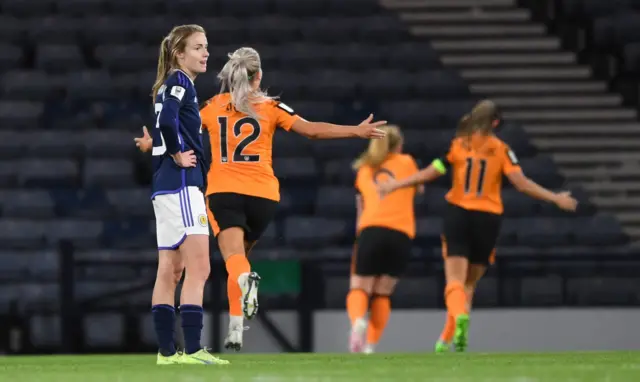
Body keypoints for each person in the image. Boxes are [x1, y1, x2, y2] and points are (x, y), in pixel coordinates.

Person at [199, 47, 387, 352]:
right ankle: (235, 330)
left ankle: (241, 304)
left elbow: (180, 133)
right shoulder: (272, 106)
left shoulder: (212, 106)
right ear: (258, 76)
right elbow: (311, 131)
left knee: (234, 259)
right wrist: (356, 131)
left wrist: (151, 142)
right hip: (263, 196)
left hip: (224, 191)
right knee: (240, 259)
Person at [377, 100, 578, 353]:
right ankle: (448, 339)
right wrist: (555, 197)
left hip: (458, 213)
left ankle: (456, 323)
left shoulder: (459, 145)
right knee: (469, 283)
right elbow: (521, 183)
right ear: (495, 123)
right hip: (488, 219)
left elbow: (432, 171)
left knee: (454, 282)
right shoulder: (502, 149)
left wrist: (395, 185)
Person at [135, 24, 228, 365]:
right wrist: (175, 151)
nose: (206, 54)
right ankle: (192, 349)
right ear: (179, 53)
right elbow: (169, 122)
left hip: (164, 185)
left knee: (169, 270)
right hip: (182, 182)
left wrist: (159, 148)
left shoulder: (168, 83)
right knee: (199, 267)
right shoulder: (179, 81)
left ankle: (166, 353)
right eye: (199, 47)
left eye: (206, 47)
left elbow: (165, 122)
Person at [347, 125, 423, 354]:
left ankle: (358, 320)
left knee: (359, 287)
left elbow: (360, 209)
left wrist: (359, 238)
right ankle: (370, 344)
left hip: (371, 231)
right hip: (401, 233)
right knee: (382, 293)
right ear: (398, 145)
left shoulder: (364, 169)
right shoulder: (407, 162)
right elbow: (419, 189)